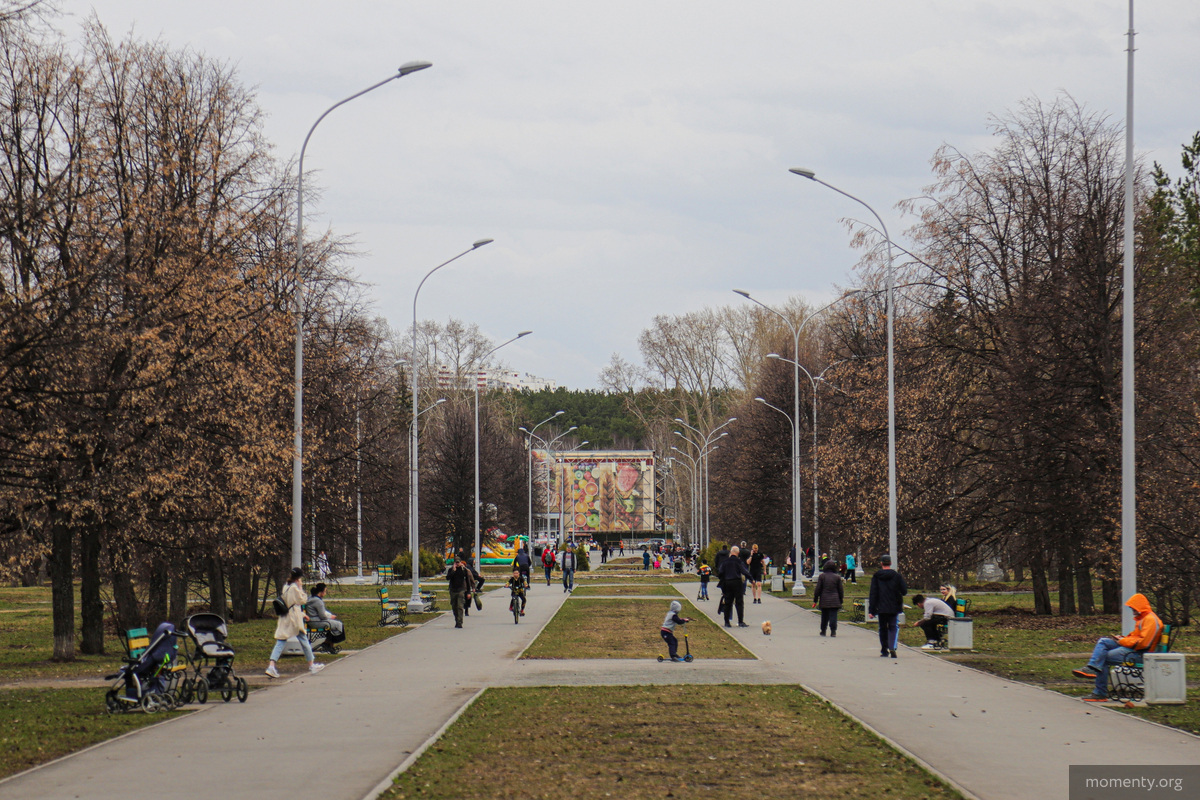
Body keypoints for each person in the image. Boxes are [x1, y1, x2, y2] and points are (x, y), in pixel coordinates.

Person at [1073, 593, 1164, 702]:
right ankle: (1092, 667)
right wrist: (1122, 639)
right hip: (1134, 649)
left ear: (1139, 607)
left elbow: (1143, 643)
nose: (1132, 610)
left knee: (1104, 658)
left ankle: (1100, 693)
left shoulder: (1150, 620)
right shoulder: (1144, 618)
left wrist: (1123, 641)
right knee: (1104, 641)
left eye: (1133, 608)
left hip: (1139, 654)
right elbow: (1137, 638)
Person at [266, 567, 323, 678]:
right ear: (298, 578)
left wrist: (303, 614)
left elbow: (290, 604)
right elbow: (302, 600)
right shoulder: (294, 588)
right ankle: (311, 665)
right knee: (304, 640)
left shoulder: (286, 586)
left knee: (281, 641)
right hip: (293, 620)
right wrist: (300, 588)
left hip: (286, 618)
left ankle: (271, 665)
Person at [868, 555, 907, 658]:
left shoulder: (876, 576)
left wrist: (871, 610)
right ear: (890, 563)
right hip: (894, 606)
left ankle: (884, 650)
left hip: (881, 607)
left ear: (881, 563)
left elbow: (873, 593)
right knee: (893, 627)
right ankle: (892, 647)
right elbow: (904, 591)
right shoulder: (897, 576)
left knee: (882, 628)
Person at [718, 545, 752, 628]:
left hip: (727, 582)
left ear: (731, 552)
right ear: (738, 553)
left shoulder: (725, 562)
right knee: (739, 602)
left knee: (728, 602)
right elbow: (744, 571)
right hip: (737, 582)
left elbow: (720, 572)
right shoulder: (738, 562)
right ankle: (740, 621)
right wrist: (751, 579)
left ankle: (727, 622)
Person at [813, 559, 844, 637]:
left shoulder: (822, 576)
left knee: (824, 616)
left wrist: (815, 599)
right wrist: (841, 600)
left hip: (824, 600)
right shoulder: (837, 577)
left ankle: (823, 630)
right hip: (835, 600)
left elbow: (818, 589)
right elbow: (840, 590)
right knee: (833, 616)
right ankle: (833, 631)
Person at [447, 555, 473, 628]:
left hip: (461, 590)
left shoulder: (464, 570)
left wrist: (468, 592)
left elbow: (468, 581)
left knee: (460, 606)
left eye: (458, 562)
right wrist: (453, 570)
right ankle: (456, 620)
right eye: (456, 562)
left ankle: (460, 622)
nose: (457, 564)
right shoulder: (451, 570)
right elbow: (447, 578)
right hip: (453, 590)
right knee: (454, 607)